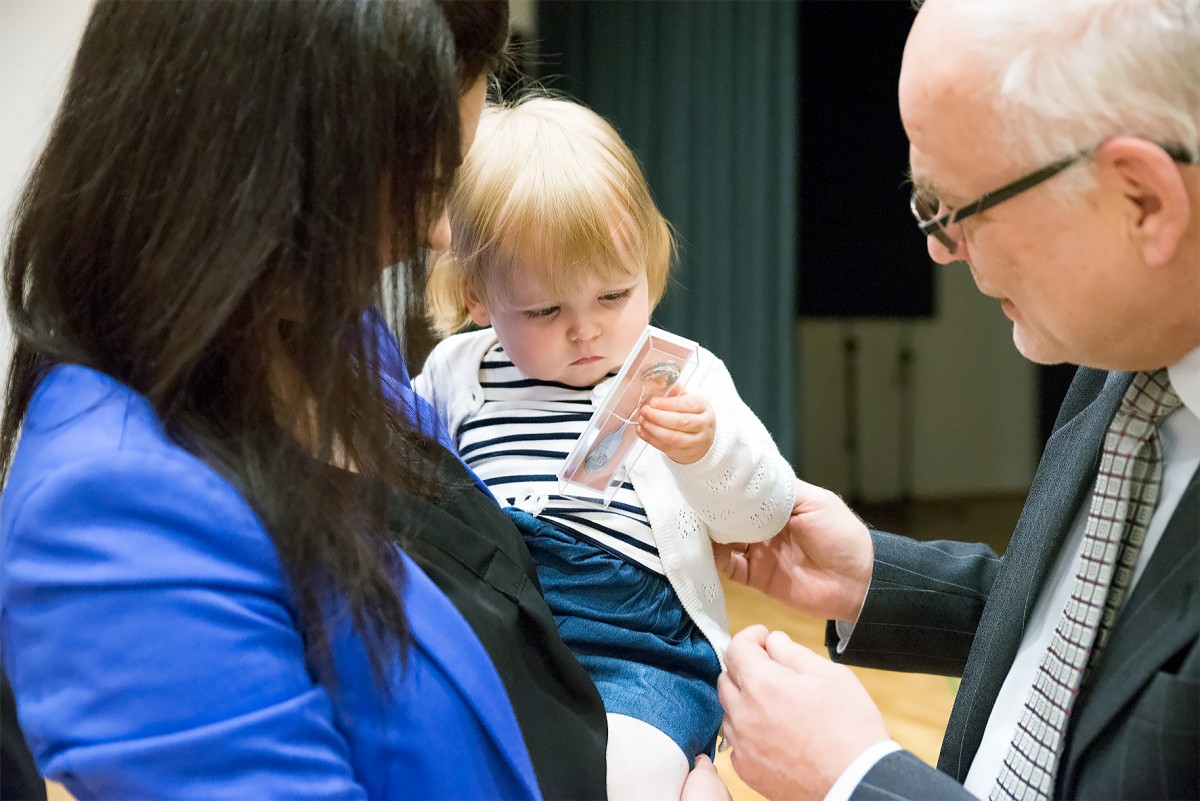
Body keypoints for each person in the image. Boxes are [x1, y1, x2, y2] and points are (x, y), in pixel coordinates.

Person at [0, 2, 608, 799]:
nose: (437, 234)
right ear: (262, 178)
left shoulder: (333, 332)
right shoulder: (112, 511)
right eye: (423, 186)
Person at [713, 0, 1200, 799]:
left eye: (961, 208)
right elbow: (1103, 639)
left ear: (1142, 199)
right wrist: (876, 580)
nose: (941, 248)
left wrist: (856, 778)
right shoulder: (1124, 348)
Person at [413, 95, 796, 800]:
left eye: (614, 295)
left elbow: (766, 514)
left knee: (629, 776)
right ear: (476, 295)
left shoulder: (684, 375)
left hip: (636, 643)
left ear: (648, 264)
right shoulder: (456, 374)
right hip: (498, 626)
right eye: (545, 309)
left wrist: (707, 451)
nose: (586, 330)